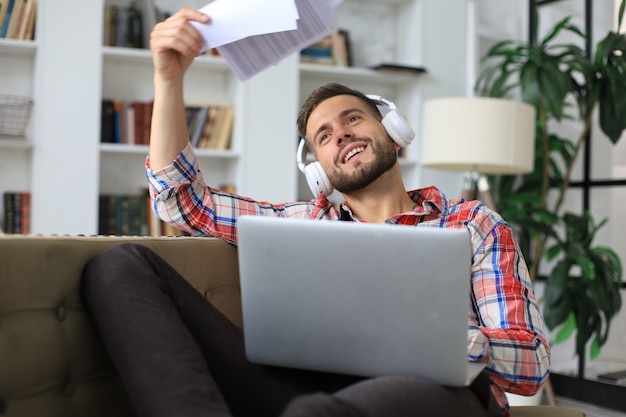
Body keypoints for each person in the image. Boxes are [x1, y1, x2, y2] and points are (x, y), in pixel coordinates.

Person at [81, 7, 550, 417]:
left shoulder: (474, 224)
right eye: (323, 137)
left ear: (392, 132)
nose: (340, 134)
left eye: (352, 119)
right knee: (120, 266)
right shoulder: (304, 223)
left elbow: (530, 364)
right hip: (312, 390)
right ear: (317, 170)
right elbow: (181, 200)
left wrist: (443, 343)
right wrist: (170, 78)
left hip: (446, 397)